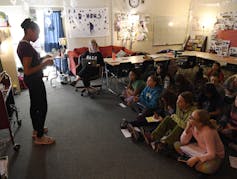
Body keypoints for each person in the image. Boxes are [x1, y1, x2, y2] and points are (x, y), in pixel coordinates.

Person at [17, 18, 55, 145]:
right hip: (34, 80)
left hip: (32, 80)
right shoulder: (25, 47)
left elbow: (33, 61)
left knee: (35, 105)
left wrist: (44, 58)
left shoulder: (24, 45)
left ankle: (36, 130)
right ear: (29, 31)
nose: (38, 36)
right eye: (37, 33)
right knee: (41, 106)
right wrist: (45, 64)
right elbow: (27, 70)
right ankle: (39, 136)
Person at [174, 109, 225, 175]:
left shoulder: (208, 132)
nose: (189, 118)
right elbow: (183, 142)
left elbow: (212, 154)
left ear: (200, 123)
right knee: (177, 144)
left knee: (204, 168)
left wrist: (197, 158)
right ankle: (193, 160)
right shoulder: (193, 126)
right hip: (201, 149)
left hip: (216, 155)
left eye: (192, 118)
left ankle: (191, 159)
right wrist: (187, 129)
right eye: (190, 116)